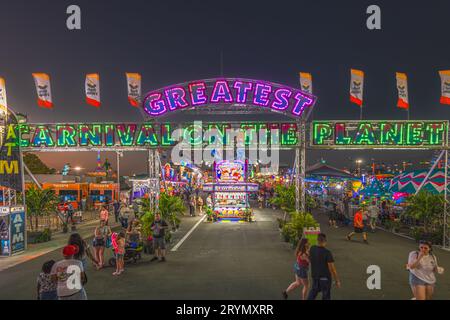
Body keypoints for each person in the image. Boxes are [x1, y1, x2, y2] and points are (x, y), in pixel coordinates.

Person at [307, 233, 340, 300]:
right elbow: (332, 269)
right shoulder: (327, 253)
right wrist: (337, 280)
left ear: (317, 240)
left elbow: (309, 258)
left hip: (315, 276)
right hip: (325, 278)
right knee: (326, 295)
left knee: (313, 292)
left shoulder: (312, 248)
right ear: (325, 242)